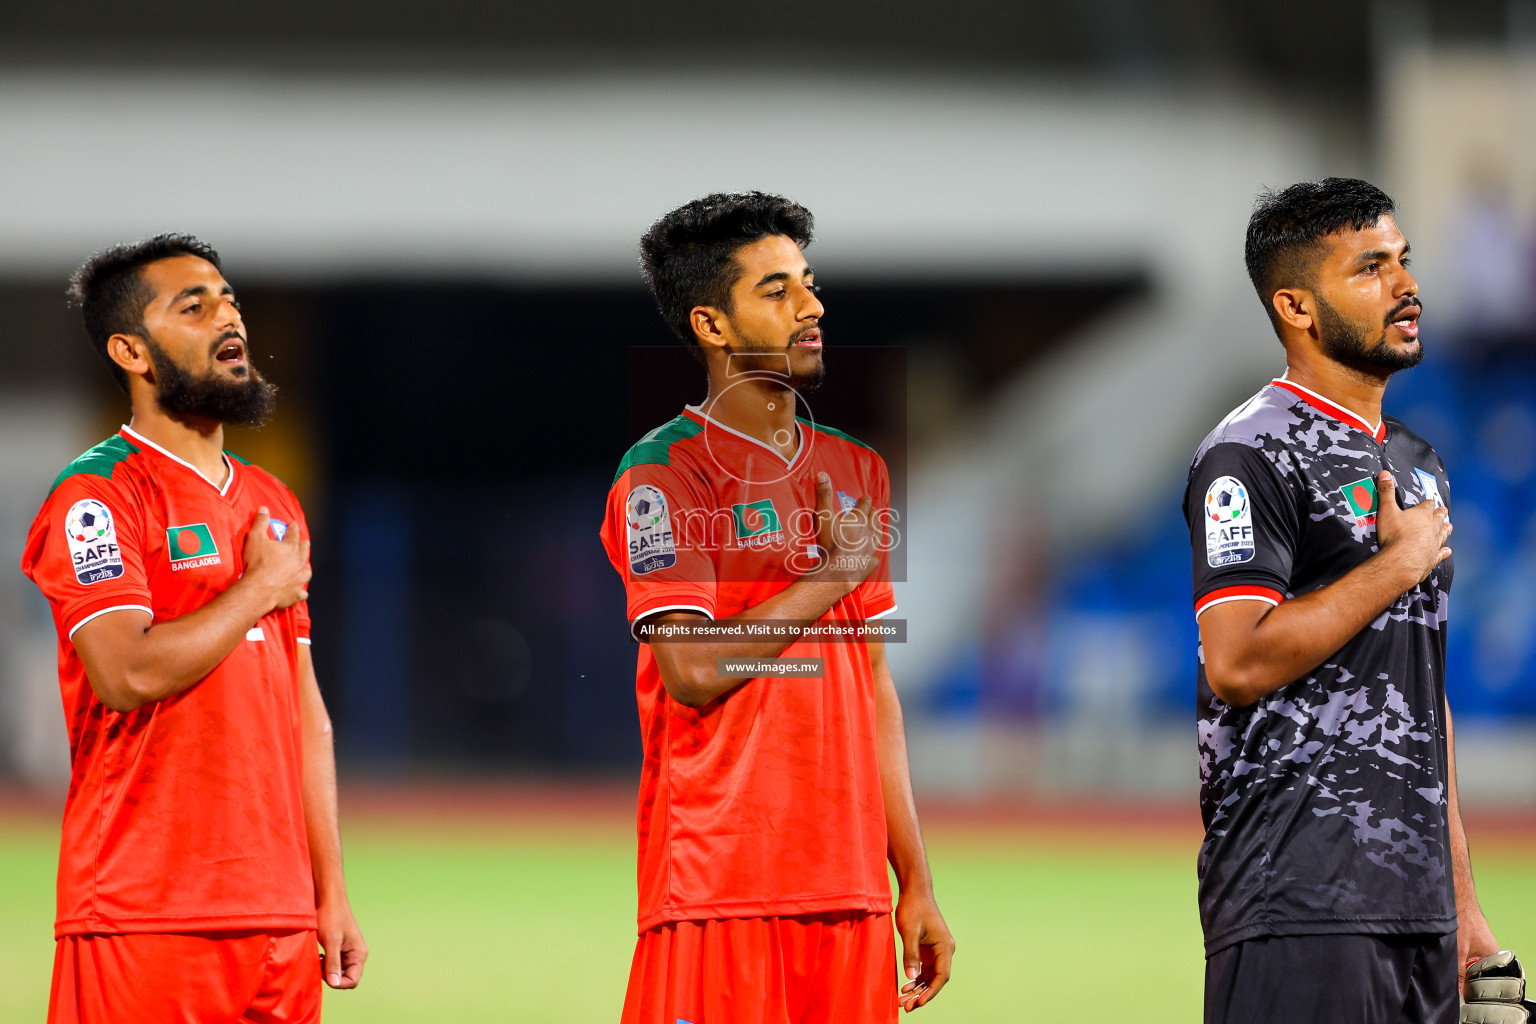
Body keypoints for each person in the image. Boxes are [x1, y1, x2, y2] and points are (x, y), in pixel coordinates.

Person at [599, 193, 954, 1023]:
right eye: (776, 290)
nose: (812, 306)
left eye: (810, 283)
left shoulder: (857, 467)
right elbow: (690, 669)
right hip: (721, 886)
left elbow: (874, 690)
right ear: (712, 326)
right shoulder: (664, 473)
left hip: (851, 890)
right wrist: (835, 576)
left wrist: (915, 881)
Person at [21, 234, 366, 1022]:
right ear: (131, 352)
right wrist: (258, 590)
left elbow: (303, 714)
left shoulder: (275, 502)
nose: (228, 316)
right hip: (146, 915)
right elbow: (127, 672)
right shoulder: (97, 496)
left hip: (277, 922)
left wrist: (329, 892)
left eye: (230, 300)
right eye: (194, 305)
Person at [1186, 178, 1496, 1024]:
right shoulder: (1247, 456)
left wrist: (1460, 903)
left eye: (1403, 261)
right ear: (1297, 306)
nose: (1407, 287)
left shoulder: (1417, 460)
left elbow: (1420, 692)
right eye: (1371, 269)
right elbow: (1239, 660)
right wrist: (1394, 568)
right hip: (1296, 900)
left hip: (1417, 914)